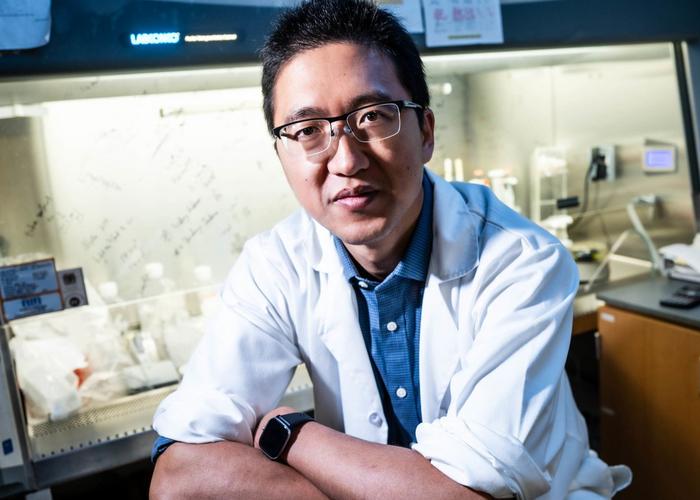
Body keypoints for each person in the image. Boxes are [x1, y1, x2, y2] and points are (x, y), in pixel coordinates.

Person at [149, 1, 630, 498]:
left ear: (426, 132)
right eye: (308, 130)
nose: (346, 160)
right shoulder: (275, 263)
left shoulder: (523, 261)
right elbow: (178, 476)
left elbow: (467, 496)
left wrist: (292, 434)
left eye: (373, 117)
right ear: (281, 155)